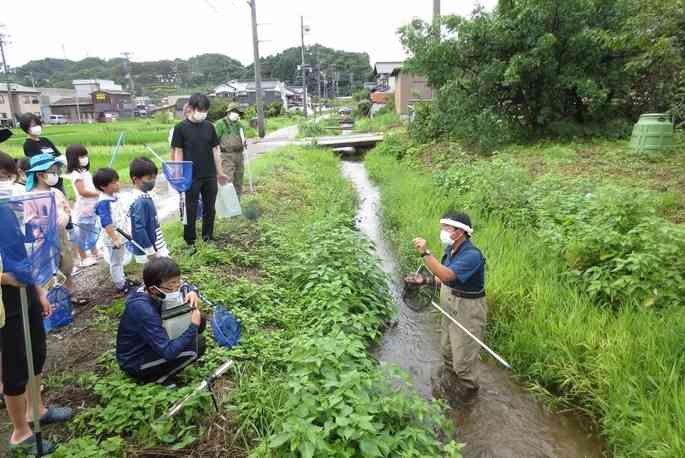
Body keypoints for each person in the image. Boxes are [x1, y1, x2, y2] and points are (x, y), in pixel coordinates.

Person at [0, 197, 73, 456]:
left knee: (36, 350)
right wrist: (4, 278)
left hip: (26, 292)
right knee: (15, 363)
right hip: (4, 302)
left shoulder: (5, 210)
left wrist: (38, 291)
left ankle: (36, 409)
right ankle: (20, 432)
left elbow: (22, 256)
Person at [407, 211, 487, 405]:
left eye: (446, 228)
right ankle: (450, 381)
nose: (442, 231)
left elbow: (447, 276)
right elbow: (443, 280)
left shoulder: (472, 256)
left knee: (464, 359)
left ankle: (468, 397)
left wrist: (426, 253)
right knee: (447, 349)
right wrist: (424, 280)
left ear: (460, 232)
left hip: (467, 307)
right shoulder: (450, 251)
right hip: (449, 301)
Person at [116, 257, 206, 384]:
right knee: (198, 344)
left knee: (201, 320)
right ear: (154, 289)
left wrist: (191, 292)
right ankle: (160, 378)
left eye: (177, 284)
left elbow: (184, 284)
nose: (176, 289)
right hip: (136, 361)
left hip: (152, 340)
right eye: (171, 286)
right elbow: (168, 352)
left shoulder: (149, 289)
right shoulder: (143, 310)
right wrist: (193, 326)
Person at [171, 94, 228, 248]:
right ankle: (190, 242)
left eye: (205, 110)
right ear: (191, 108)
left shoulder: (209, 127)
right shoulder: (180, 128)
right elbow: (178, 152)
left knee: (210, 208)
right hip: (190, 176)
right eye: (200, 109)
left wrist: (220, 172)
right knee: (190, 208)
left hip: (209, 174)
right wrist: (177, 174)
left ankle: (208, 237)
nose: (203, 113)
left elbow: (215, 151)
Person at [25, 154, 77, 295]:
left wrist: (66, 217)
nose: (56, 175)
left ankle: (69, 295)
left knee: (67, 265)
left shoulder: (56, 192)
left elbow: (67, 208)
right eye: (52, 172)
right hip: (44, 241)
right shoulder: (31, 196)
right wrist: (47, 223)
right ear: (41, 175)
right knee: (50, 271)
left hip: (62, 236)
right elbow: (30, 220)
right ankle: (52, 301)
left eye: (56, 172)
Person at [94, 168, 137, 295]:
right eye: (113, 183)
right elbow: (106, 222)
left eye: (117, 181)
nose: (118, 184)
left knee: (120, 259)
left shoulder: (113, 197)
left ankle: (123, 280)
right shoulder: (104, 202)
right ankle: (120, 285)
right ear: (103, 186)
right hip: (114, 238)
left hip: (121, 235)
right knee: (116, 262)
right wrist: (114, 238)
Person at [66, 145, 101, 267]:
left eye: (85, 155)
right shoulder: (76, 174)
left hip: (91, 207)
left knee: (92, 230)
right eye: (81, 156)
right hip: (83, 209)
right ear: (73, 158)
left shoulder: (85, 171)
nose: (85, 158)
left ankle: (94, 251)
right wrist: (98, 193)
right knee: (81, 234)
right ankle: (83, 257)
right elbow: (82, 192)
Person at [128, 157, 169, 264]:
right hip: (150, 249)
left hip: (156, 245)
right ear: (135, 179)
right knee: (160, 273)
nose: (152, 182)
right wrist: (150, 250)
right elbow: (139, 227)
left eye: (154, 178)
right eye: (149, 178)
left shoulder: (144, 196)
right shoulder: (140, 201)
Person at [19, 113, 66, 195]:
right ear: (26, 128)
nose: (36, 127)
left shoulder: (45, 140)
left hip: (57, 178)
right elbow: (37, 164)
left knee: (62, 202)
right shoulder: (28, 144)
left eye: (37, 124)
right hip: (46, 180)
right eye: (33, 125)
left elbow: (58, 155)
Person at [215, 102, 247, 198]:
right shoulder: (221, 124)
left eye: (239, 113)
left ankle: (237, 202)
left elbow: (243, 139)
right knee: (228, 180)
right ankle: (228, 203)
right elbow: (215, 141)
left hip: (239, 155)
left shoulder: (240, 125)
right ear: (230, 112)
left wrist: (244, 143)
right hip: (227, 156)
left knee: (239, 179)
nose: (237, 114)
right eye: (236, 112)